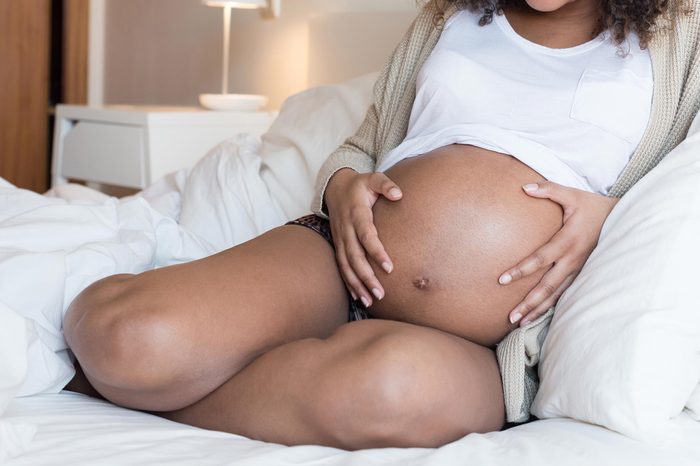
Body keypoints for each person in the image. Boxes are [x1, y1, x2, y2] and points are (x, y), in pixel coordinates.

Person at [63, 0, 699, 451]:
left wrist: (613, 216)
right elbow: (363, 146)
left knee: (390, 391)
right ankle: (141, 373)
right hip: (340, 261)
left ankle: (162, 391)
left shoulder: (681, 35)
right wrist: (342, 184)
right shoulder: (448, 15)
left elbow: (676, 188)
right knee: (126, 338)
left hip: (491, 340)